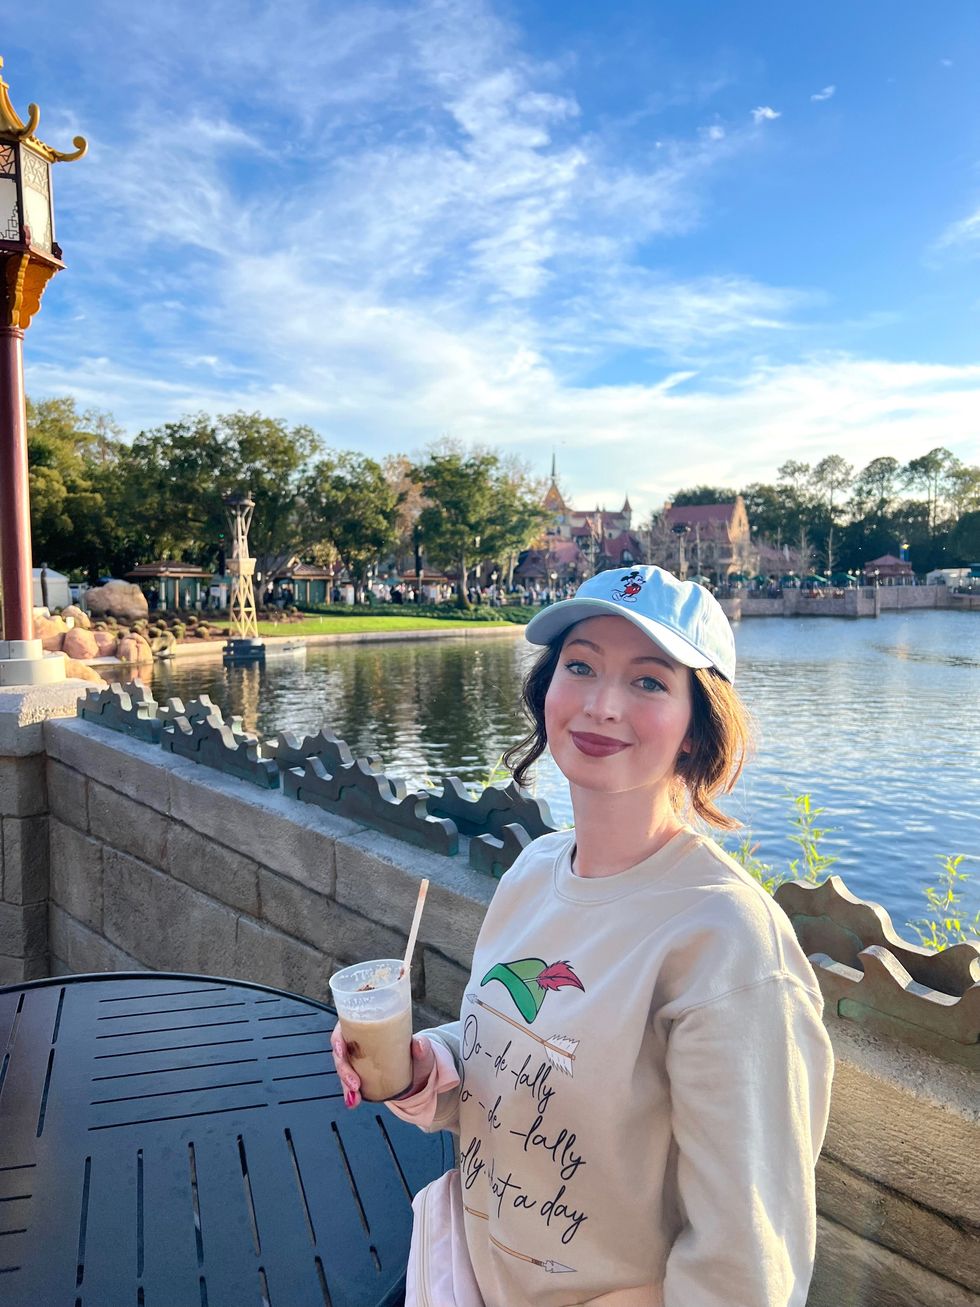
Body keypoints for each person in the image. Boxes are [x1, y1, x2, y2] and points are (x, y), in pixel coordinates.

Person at [332, 565, 834, 1307]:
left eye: (650, 681)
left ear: (698, 728)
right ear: (547, 688)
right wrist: (421, 1066)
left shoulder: (727, 943)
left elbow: (744, 1272)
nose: (602, 705)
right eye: (581, 665)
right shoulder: (534, 872)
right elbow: (516, 1061)